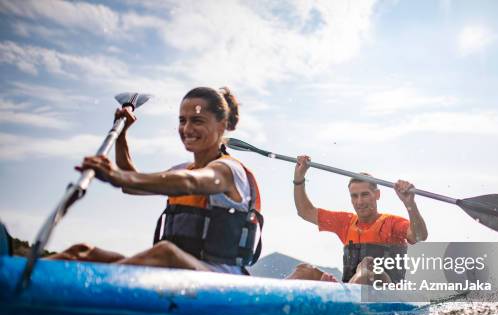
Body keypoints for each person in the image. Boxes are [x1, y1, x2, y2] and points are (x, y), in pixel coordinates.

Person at [48, 87, 263, 275]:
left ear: (221, 125)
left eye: (197, 120)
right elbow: (130, 185)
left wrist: (117, 175)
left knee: (165, 252)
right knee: (83, 252)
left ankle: (89, 287)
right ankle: (19, 274)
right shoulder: (181, 169)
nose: (187, 129)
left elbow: (189, 182)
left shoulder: (228, 170)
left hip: (220, 279)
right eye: (182, 120)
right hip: (177, 272)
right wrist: (121, 136)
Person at [287, 155, 427, 284]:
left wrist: (410, 204)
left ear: (377, 195)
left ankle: (352, 291)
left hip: (386, 294)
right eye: (354, 196)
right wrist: (299, 178)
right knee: (304, 270)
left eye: (365, 194)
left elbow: (419, 236)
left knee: (368, 267)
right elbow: (305, 212)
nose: (359, 202)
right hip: (351, 293)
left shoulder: (392, 223)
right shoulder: (345, 222)